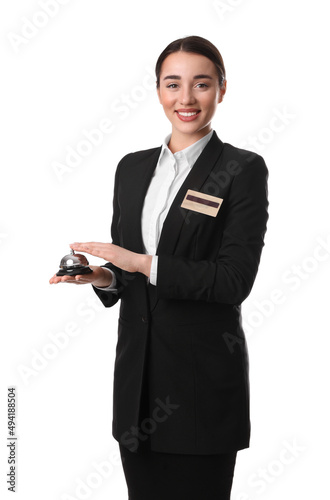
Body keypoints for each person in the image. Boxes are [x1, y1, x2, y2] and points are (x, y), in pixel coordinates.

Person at [50, 35, 269, 500]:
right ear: (157, 91)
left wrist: (141, 263)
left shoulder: (242, 169)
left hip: (201, 391)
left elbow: (233, 281)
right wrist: (104, 276)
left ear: (222, 90)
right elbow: (130, 276)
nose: (185, 99)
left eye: (201, 84)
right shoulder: (131, 169)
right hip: (137, 391)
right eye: (173, 84)